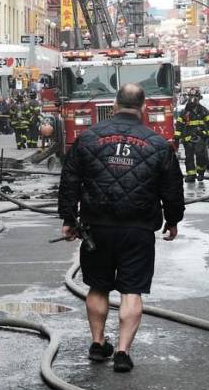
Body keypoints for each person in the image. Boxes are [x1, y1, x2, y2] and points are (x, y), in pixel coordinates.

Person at [58, 83, 184, 373]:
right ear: (142, 108)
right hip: (138, 230)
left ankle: (97, 342)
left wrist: (68, 219)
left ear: (114, 105)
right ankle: (123, 352)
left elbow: (70, 181)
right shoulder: (158, 144)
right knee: (131, 291)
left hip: (97, 227)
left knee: (98, 286)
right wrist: (173, 220)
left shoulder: (88, 139)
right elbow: (173, 188)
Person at [174, 88, 209, 182]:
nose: (193, 99)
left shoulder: (204, 111)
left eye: (195, 96)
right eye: (191, 96)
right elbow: (179, 125)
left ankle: (200, 172)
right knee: (189, 157)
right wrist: (176, 138)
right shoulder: (184, 112)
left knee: (200, 155)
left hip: (200, 137)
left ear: (199, 98)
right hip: (188, 138)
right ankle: (191, 175)